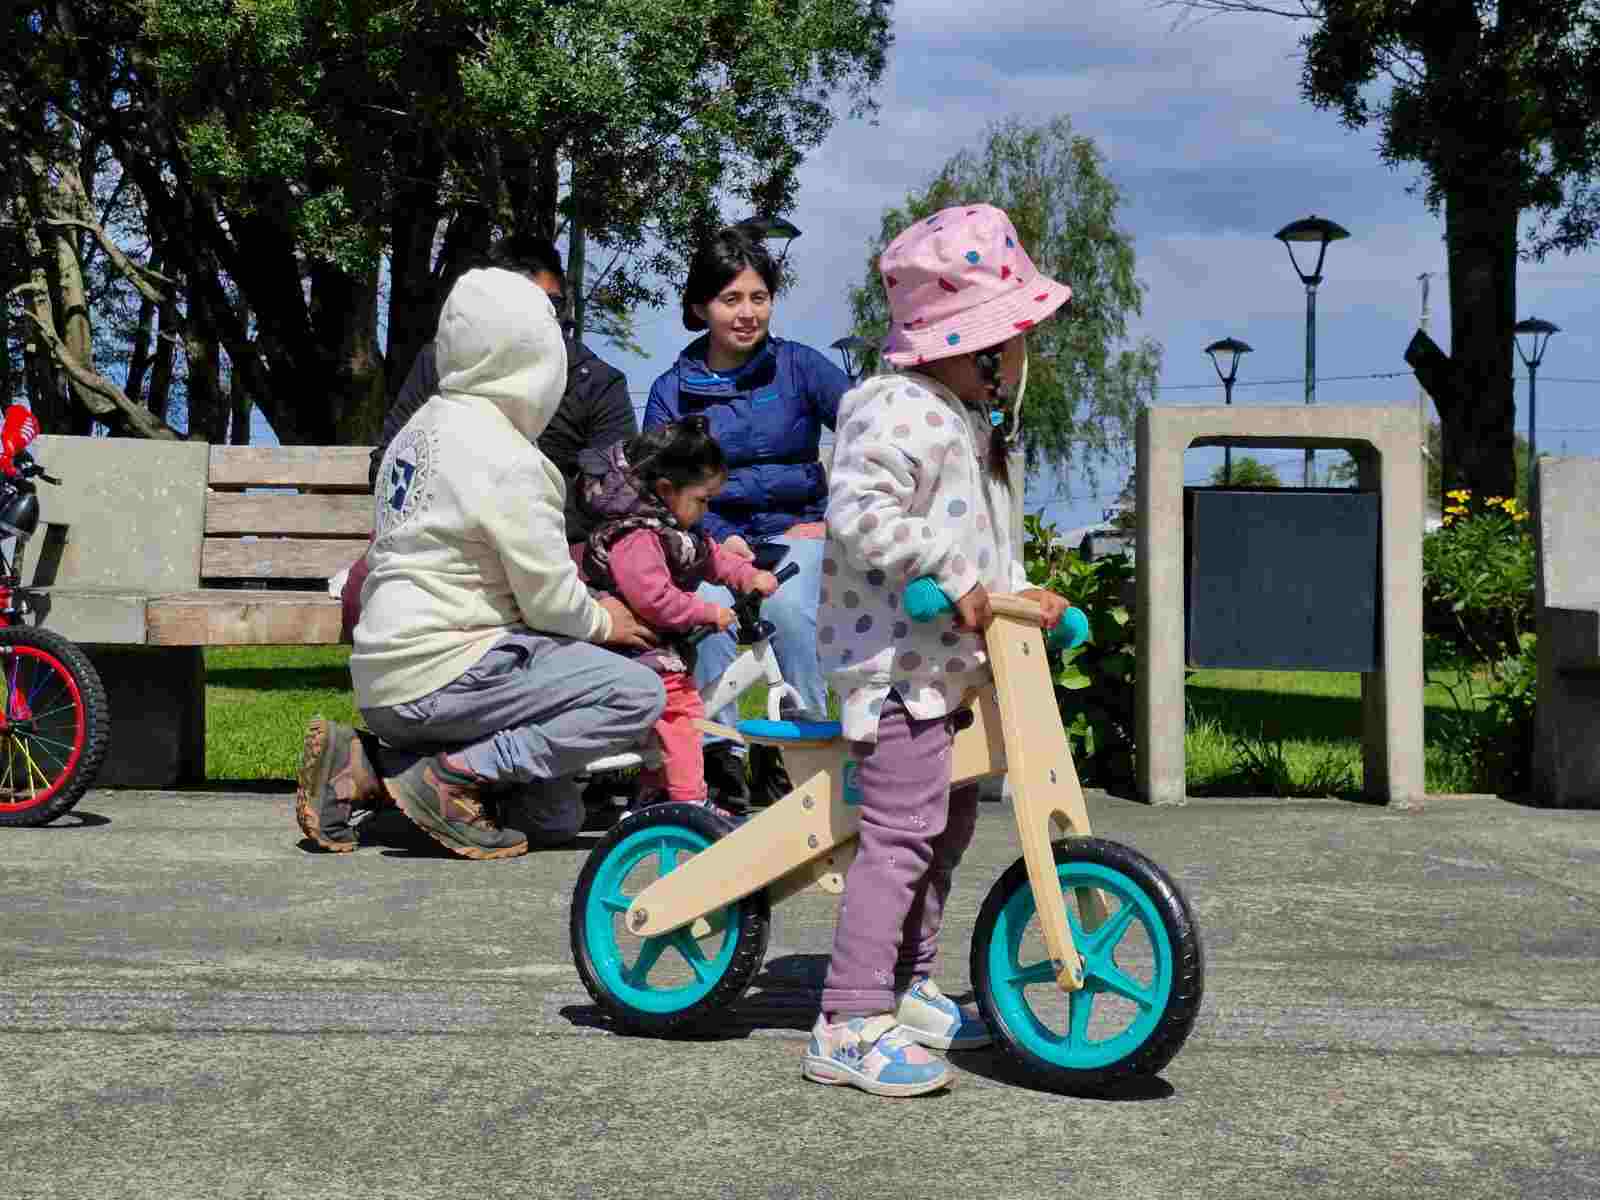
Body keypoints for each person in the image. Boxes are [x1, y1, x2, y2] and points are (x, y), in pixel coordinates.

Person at [799, 203, 1074, 1097]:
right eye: (1013, 341)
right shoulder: (893, 408)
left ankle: (910, 984)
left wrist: (1025, 598)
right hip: (895, 669)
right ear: (975, 344)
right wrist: (946, 572)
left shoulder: (967, 422)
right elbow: (861, 517)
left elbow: (985, 551)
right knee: (898, 837)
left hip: (948, 673)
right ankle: (845, 1018)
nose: (1021, 361)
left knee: (945, 831)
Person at [296, 266, 666, 860]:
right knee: (636, 695)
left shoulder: (418, 433)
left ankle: (366, 766)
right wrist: (605, 622)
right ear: (535, 361)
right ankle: (451, 779)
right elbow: (548, 601)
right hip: (453, 669)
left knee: (554, 817)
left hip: (383, 681)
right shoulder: (513, 459)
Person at [341, 234, 636, 642]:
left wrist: (520, 513)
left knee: (550, 595)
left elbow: (614, 496)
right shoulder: (441, 363)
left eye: (551, 306)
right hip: (440, 540)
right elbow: (389, 462)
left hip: (557, 541)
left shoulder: (598, 383)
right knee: (362, 592)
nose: (540, 319)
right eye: (524, 304)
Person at [644, 226, 850, 808]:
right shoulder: (672, 392)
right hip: (714, 538)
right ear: (699, 307)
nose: (747, 313)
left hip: (799, 528)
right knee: (709, 610)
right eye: (731, 299)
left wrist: (832, 517)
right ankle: (720, 754)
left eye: (758, 298)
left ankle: (800, 748)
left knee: (784, 603)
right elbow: (661, 489)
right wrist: (717, 537)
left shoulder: (802, 368)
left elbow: (870, 434)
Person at [577, 419, 779, 815]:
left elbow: (711, 555)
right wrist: (706, 611)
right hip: (630, 647)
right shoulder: (635, 536)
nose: (707, 510)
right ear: (667, 490)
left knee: (669, 718)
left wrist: (748, 575)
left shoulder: (670, 526)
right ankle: (690, 801)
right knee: (681, 711)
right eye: (703, 500)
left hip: (657, 643)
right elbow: (653, 599)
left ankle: (655, 795)